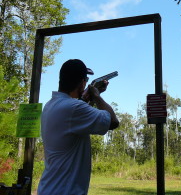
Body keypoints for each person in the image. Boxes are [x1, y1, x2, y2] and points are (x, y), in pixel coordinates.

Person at [37, 59, 119, 195]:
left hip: (50, 189)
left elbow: (78, 115)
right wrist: (97, 97)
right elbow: (113, 122)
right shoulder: (73, 108)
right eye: (86, 79)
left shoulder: (51, 105)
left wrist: (87, 98)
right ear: (82, 83)